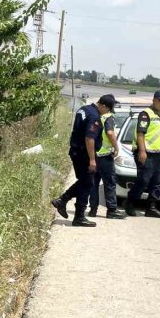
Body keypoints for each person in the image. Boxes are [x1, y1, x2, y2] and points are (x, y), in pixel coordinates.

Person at [52, 94, 118, 227]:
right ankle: (78, 216)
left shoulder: (84, 109)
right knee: (87, 183)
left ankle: (63, 201)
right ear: (103, 106)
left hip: (76, 151)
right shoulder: (95, 116)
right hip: (84, 154)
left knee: (85, 181)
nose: (108, 112)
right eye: (109, 109)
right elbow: (89, 138)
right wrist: (92, 160)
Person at [124, 91, 160, 218]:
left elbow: (153, 134)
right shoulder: (145, 114)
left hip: (158, 154)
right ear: (154, 99)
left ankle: (151, 208)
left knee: (158, 181)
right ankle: (130, 202)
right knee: (143, 180)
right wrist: (142, 151)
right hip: (146, 153)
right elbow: (141, 134)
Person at [89, 105, 127, 219]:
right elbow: (110, 133)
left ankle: (93, 210)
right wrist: (116, 147)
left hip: (94, 155)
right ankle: (111, 210)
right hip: (105, 157)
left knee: (94, 184)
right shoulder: (108, 117)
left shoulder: (96, 117)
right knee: (110, 184)